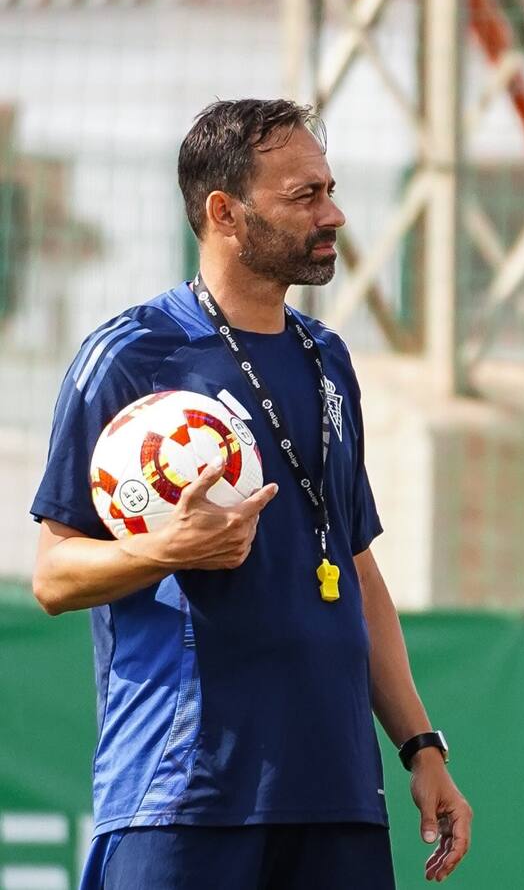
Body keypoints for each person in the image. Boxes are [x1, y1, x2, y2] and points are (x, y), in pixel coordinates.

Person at [29, 99, 472, 889]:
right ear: (225, 212)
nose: (333, 215)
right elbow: (54, 574)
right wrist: (166, 549)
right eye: (304, 196)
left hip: (337, 794)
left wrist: (420, 747)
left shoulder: (328, 358)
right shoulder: (130, 355)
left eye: (330, 190)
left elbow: (355, 569)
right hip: (183, 796)